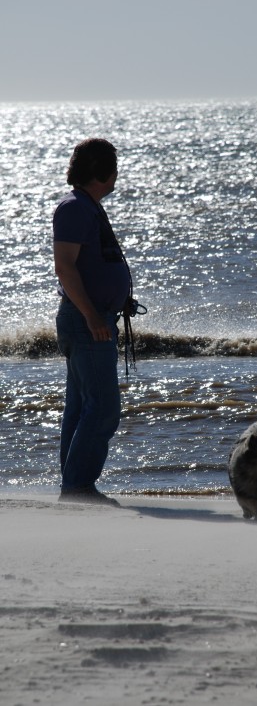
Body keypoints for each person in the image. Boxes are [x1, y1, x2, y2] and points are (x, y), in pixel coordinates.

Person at [53, 138, 131, 504]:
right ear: (103, 172)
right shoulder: (74, 208)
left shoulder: (87, 207)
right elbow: (64, 267)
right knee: (101, 408)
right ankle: (79, 488)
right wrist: (91, 315)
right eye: (113, 169)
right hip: (86, 321)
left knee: (82, 405)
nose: (116, 176)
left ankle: (74, 486)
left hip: (95, 318)